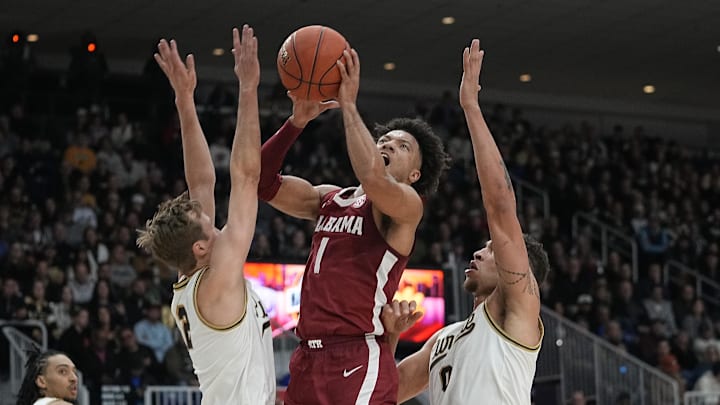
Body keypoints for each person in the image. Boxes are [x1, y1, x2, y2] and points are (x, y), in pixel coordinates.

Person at [257, 47, 450, 404]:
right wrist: (295, 122)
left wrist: (348, 105)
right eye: (384, 140)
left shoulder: (407, 206)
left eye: (402, 146)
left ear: (414, 174)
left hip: (355, 355)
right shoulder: (331, 198)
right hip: (307, 357)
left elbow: (375, 180)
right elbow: (262, 182)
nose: (387, 143)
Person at [382, 39, 550, 404]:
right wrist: (391, 338)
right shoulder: (445, 337)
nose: (479, 252)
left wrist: (471, 107)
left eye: (490, 251)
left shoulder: (518, 311)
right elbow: (386, 393)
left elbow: (502, 209)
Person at [136, 25, 274, 404]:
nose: (218, 228)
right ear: (199, 248)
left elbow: (200, 183)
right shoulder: (217, 280)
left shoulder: (191, 278)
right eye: (210, 228)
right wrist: (248, 88)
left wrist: (184, 100)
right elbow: (246, 177)